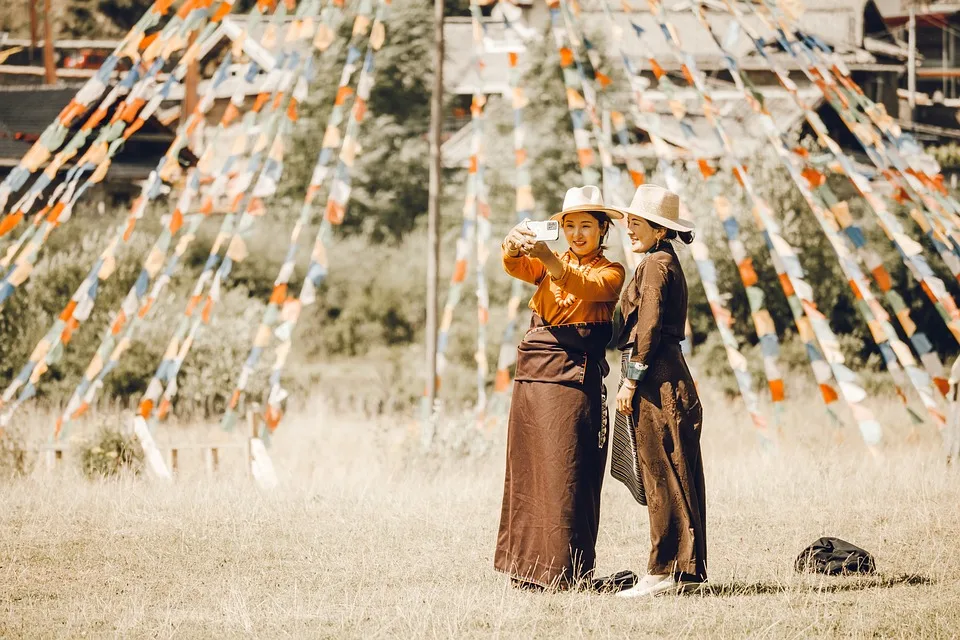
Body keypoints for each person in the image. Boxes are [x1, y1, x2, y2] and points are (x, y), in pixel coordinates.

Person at [494, 185, 626, 590]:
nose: (577, 233)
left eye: (586, 225)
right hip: (534, 371)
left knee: (568, 469)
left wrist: (549, 259)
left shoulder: (612, 271)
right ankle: (526, 569)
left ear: (603, 230)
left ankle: (568, 571)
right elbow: (514, 267)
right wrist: (513, 244)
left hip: (573, 376)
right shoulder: (551, 261)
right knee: (529, 468)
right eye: (569, 225)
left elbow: (589, 289)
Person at [610, 184, 707, 598]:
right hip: (667, 374)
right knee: (675, 472)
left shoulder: (654, 266)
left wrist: (630, 380)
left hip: (657, 379)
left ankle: (662, 570)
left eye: (638, 223)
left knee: (662, 475)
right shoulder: (662, 261)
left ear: (660, 229)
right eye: (628, 223)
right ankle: (680, 570)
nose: (630, 230)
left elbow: (646, 331)